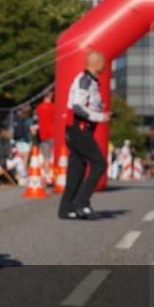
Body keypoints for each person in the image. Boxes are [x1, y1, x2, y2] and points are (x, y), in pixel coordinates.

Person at [58, 50, 112, 220]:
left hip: (78, 129)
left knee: (77, 169)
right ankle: (82, 203)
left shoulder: (91, 81)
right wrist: (101, 117)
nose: (105, 64)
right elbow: (78, 107)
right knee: (99, 164)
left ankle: (66, 208)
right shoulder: (85, 80)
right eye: (103, 61)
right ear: (96, 63)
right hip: (79, 129)